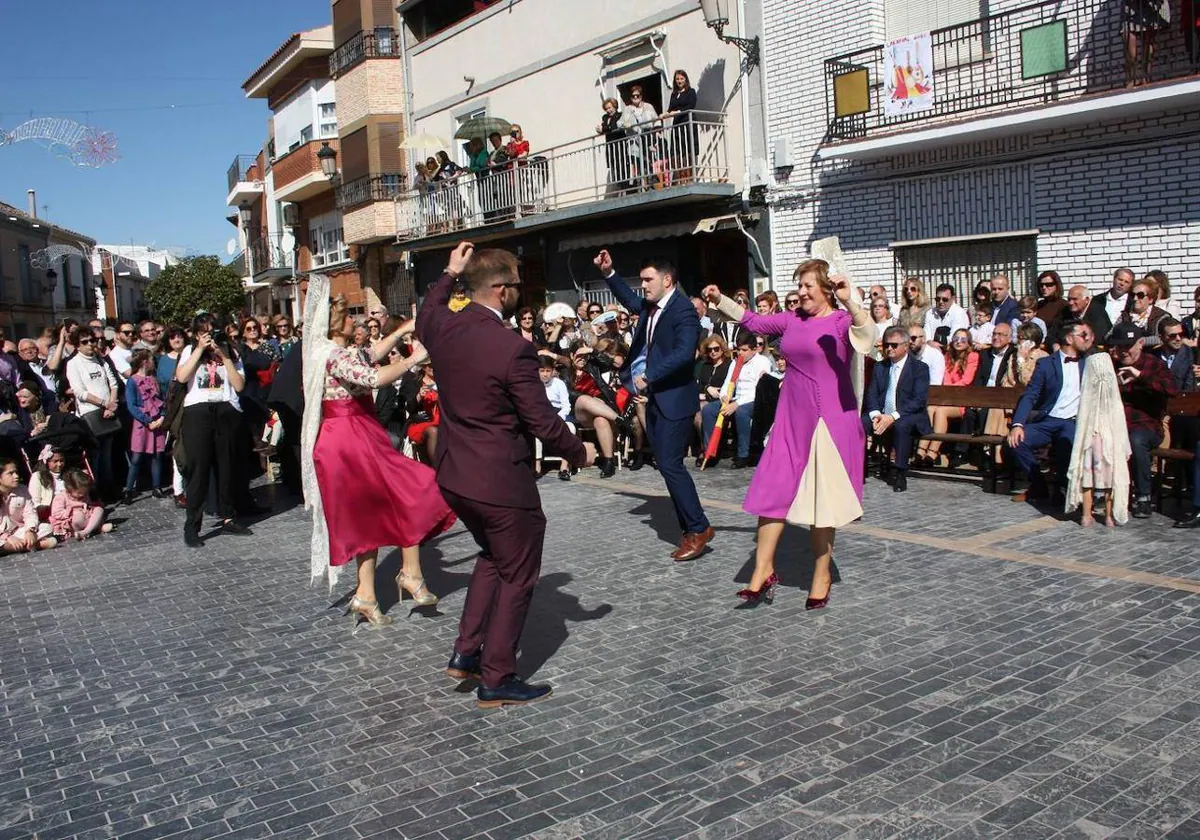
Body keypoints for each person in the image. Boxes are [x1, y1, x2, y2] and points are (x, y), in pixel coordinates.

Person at [416, 242, 589, 709]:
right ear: (499, 290)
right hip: (499, 480)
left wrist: (450, 273)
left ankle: (466, 652)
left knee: (494, 556)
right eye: (515, 284)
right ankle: (497, 675)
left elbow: (426, 312)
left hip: (455, 474)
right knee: (518, 572)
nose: (519, 292)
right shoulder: (512, 348)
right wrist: (579, 452)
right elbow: (542, 422)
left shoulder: (443, 328)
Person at [703, 263, 873, 607]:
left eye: (809, 285)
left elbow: (868, 338)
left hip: (829, 420)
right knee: (773, 485)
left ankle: (821, 573)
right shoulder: (792, 318)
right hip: (792, 417)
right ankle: (762, 568)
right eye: (800, 285)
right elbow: (753, 321)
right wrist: (720, 299)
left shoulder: (840, 321)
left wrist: (850, 299)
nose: (802, 291)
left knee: (823, 502)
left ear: (826, 288)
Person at [301, 276, 454, 628]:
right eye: (349, 317)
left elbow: (370, 355)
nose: (356, 321)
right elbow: (371, 377)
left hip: (358, 433)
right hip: (345, 440)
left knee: (374, 513)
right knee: (408, 491)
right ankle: (409, 575)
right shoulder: (331, 355)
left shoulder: (342, 351)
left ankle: (368, 594)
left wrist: (403, 331)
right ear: (335, 324)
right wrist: (414, 357)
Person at [595, 249, 713, 562]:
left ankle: (699, 528)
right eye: (643, 279)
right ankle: (690, 527)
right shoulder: (650, 306)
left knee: (672, 464)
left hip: (675, 398)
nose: (643, 285)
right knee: (666, 464)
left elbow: (684, 352)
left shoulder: (683, 311)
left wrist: (649, 375)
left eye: (648, 279)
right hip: (657, 398)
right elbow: (628, 299)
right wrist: (609, 272)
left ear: (667, 279)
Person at [175, 315, 251, 547]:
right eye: (204, 332)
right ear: (196, 335)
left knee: (226, 466)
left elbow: (239, 385)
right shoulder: (189, 350)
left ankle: (228, 517)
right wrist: (199, 349)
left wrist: (224, 355)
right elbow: (181, 377)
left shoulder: (231, 352)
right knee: (199, 470)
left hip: (225, 409)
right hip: (198, 412)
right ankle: (192, 525)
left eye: (213, 331)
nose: (210, 337)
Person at [1007, 321, 1095, 505]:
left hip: (1073, 421)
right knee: (1015, 442)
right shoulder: (1046, 364)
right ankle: (1039, 486)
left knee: (1067, 445)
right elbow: (1030, 395)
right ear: (1070, 339)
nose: (1087, 339)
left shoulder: (1090, 362)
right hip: (1048, 419)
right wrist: (1017, 424)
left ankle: (1062, 490)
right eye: (1083, 335)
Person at [1109, 324, 1177, 518]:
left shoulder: (1153, 364)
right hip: (1118, 424)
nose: (1123, 352)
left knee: (1136, 440)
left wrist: (1140, 376)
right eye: (1119, 347)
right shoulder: (1113, 366)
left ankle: (1143, 497)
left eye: (1128, 346)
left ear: (1140, 343)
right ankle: (1099, 493)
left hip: (1148, 426)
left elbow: (1170, 390)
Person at [864, 326, 932, 493]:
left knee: (902, 426)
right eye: (887, 344)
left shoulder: (919, 368)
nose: (889, 349)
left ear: (906, 345)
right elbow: (871, 393)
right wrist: (875, 414)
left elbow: (918, 401)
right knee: (860, 423)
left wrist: (892, 416)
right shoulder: (881, 367)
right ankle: (859, 468)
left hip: (909, 415)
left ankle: (900, 471)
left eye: (894, 345)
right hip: (882, 413)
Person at [1065, 353, 1130, 528]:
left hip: (1090, 439)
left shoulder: (1088, 394)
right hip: (1109, 439)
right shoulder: (1113, 395)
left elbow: (1082, 417)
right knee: (1110, 478)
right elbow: (1119, 420)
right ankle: (1109, 516)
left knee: (1088, 477)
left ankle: (1086, 515)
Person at [700, 334, 772, 468]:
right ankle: (710, 452)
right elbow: (728, 382)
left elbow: (758, 389)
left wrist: (736, 404)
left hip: (753, 400)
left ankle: (743, 454)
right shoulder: (735, 362)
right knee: (708, 410)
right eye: (738, 350)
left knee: (741, 413)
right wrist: (724, 396)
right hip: (735, 398)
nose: (740, 353)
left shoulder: (762, 362)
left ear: (754, 349)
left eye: (744, 350)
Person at [65, 326, 119, 496]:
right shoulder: (73, 364)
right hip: (91, 413)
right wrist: (104, 403)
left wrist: (112, 403)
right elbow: (80, 392)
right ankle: (94, 491)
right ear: (77, 345)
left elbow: (113, 383)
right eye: (85, 342)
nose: (90, 344)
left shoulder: (100, 360)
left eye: (92, 340)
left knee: (107, 454)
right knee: (94, 454)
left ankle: (109, 487)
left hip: (108, 411)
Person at [123, 350, 168, 505]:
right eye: (151, 360)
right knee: (136, 457)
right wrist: (147, 420)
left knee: (157, 454)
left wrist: (161, 417)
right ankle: (128, 489)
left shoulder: (154, 379)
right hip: (142, 424)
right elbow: (132, 405)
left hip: (157, 423)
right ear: (144, 362)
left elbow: (161, 400)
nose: (154, 362)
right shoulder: (133, 381)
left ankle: (157, 486)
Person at [0, 459, 57, 552]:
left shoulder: (22, 489)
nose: (16, 476)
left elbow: (30, 513)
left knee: (47, 528)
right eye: (10, 473)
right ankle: (37, 545)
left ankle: (22, 545)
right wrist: (7, 537)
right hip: (3, 536)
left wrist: (30, 531)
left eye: (16, 472)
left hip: (18, 531)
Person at [51, 469, 112, 541]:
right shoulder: (61, 497)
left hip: (87, 518)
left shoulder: (85, 494)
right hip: (73, 523)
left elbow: (92, 505)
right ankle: (95, 528)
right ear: (69, 489)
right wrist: (71, 512)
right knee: (78, 516)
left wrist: (90, 506)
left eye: (85, 492)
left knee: (99, 509)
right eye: (79, 493)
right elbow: (56, 513)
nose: (82, 494)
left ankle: (87, 531)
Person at [664, 69, 698, 183]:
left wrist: (678, 111)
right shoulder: (674, 94)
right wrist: (665, 114)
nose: (679, 81)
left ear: (685, 79)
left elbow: (691, 105)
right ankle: (680, 177)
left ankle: (689, 177)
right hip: (677, 124)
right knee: (677, 149)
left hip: (687, 123)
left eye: (681, 79)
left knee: (687, 148)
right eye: (677, 79)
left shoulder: (691, 92)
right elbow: (670, 109)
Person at [596, 97, 627, 193]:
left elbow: (614, 126)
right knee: (613, 165)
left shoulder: (619, 115)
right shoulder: (605, 117)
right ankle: (619, 187)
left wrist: (604, 129)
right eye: (606, 109)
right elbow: (605, 127)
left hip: (619, 144)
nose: (608, 110)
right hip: (610, 144)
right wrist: (600, 129)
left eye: (610, 107)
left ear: (614, 106)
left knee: (621, 165)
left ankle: (624, 187)